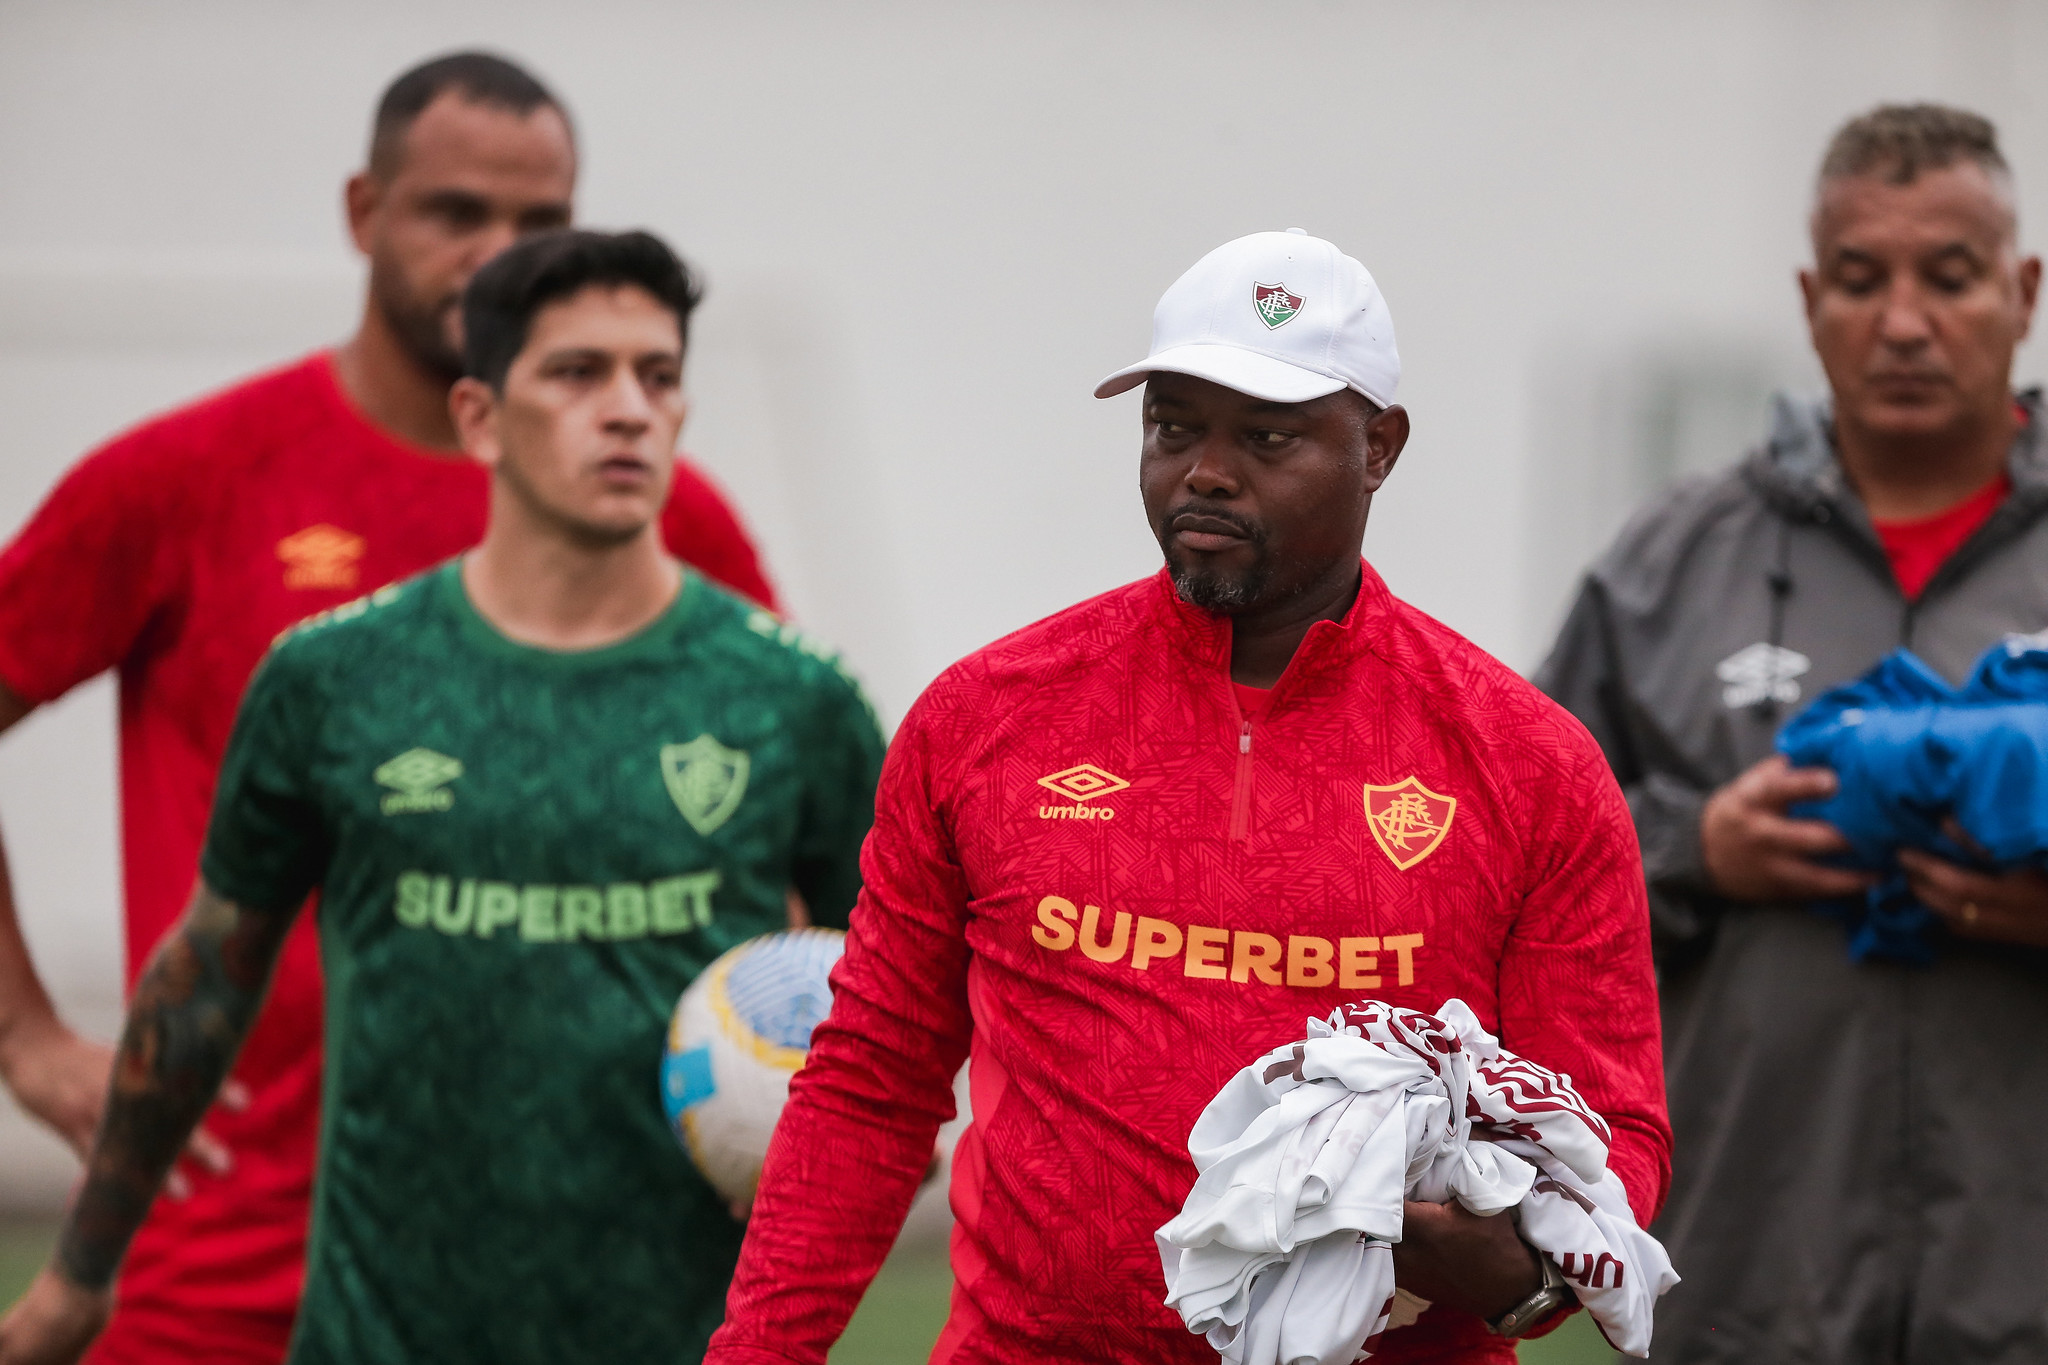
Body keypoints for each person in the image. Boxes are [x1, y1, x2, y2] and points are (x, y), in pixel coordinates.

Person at [705, 229, 1669, 1364]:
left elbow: (1613, 1133)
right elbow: (870, 1085)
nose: (1205, 471)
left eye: (1266, 436)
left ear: (1379, 447)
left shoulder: (1527, 765)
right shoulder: (987, 716)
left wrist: (1513, 1271)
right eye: (1173, 427)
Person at [0, 52, 778, 1364]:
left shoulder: (669, 519)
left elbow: (776, 832)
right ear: (364, 213)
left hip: (568, 1261)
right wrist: (27, 1038)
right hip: (225, 1267)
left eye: (540, 221)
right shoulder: (188, 479)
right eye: (456, 212)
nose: (499, 255)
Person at [1535, 104, 2046, 1362]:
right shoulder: (1671, 561)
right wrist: (1694, 848)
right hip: (1749, 1289)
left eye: (1949, 277)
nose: (1904, 322)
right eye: (1861, 281)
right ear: (1811, 303)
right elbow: (1516, 871)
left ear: (2022, 292)